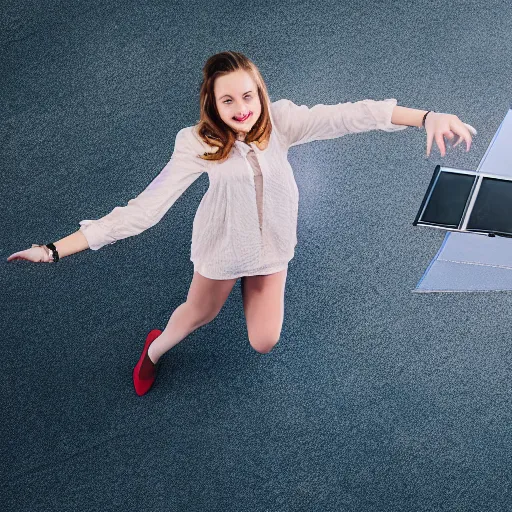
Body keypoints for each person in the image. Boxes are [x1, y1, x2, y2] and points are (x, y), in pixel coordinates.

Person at [7, 51, 477, 396]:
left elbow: (354, 115)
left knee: (264, 340)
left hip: (272, 247)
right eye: (227, 100)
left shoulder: (281, 122)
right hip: (223, 249)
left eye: (248, 96)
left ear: (259, 93)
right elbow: (142, 211)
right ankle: (152, 351)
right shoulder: (195, 143)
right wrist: (55, 248)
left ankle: (241, 295)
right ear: (212, 103)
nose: (241, 108)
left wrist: (428, 116)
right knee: (198, 316)